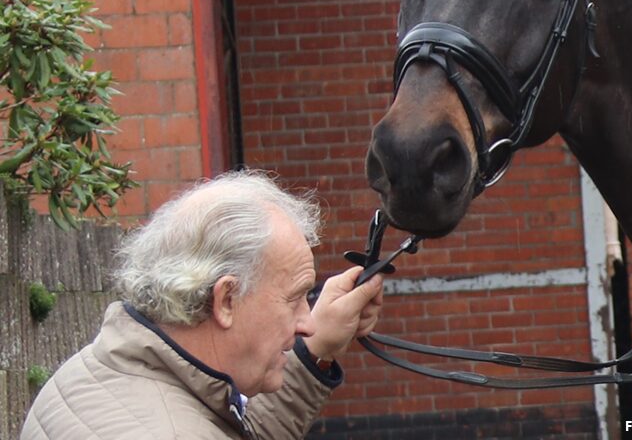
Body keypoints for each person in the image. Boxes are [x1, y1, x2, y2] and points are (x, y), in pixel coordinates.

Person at [21, 170, 385, 439]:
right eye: (294, 300)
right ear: (225, 300)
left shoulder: (98, 372)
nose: (307, 323)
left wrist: (316, 349)